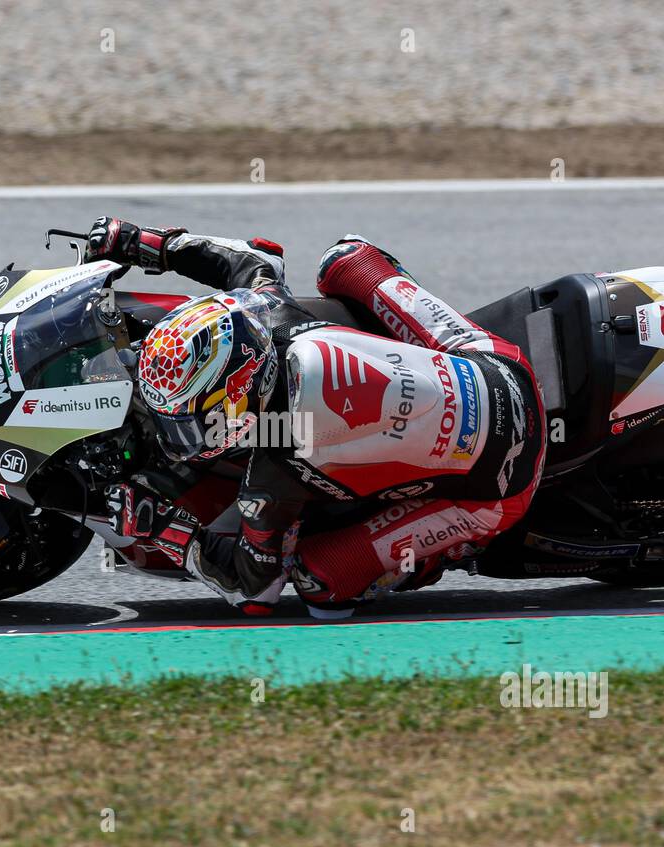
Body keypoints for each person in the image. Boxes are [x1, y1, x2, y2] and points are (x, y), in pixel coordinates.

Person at [86, 216, 546, 617]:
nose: (180, 435)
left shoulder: (273, 472)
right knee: (345, 257)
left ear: (238, 400)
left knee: (320, 584)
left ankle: (450, 553)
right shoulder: (274, 319)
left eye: (189, 421)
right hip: (497, 362)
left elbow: (255, 588)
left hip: (500, 492)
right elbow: (251, 259)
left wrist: (167, 533)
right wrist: (145, 242)